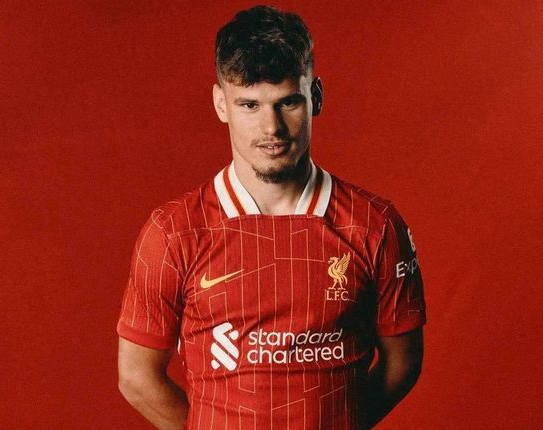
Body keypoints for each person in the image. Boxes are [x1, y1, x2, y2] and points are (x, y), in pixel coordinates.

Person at [117, 5, 426, 429]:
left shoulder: (375, 226)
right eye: (249, 104)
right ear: (221, 104)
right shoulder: (173, 231)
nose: (271, 128)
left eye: (288, 102)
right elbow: (136, 377)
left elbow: (402, 363)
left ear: (315, 96)